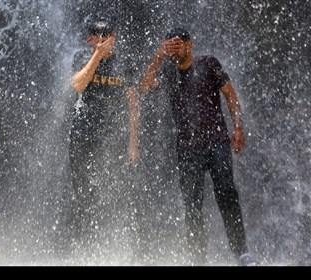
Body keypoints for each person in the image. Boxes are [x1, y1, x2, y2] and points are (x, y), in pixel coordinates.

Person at [139, 27, 258, 266]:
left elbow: (230, 95)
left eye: (176, 44)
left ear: (189, 45)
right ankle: (198, 259)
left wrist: (238, 127)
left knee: (227, 196)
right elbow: (144, 85)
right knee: (192, 205)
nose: (173, 49)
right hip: (187, 148)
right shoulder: (169, 72)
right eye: (168, 45)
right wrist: (159, 55)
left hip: (217, 143)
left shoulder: (209, 64)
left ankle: (242, 254)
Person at [69, 20, 139, 256]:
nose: (103, 38)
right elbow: (78, 85)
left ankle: (114, 248)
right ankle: (87, 249)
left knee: (114, 191)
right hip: (83, 136)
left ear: (114, 36)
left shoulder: (124, 63)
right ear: (90, 39)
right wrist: (97, 56)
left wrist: (132, 143)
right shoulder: (81, 57)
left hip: (113, 139)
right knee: (83, 194)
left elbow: (132, 104)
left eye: (106, 34)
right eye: (97, 35)